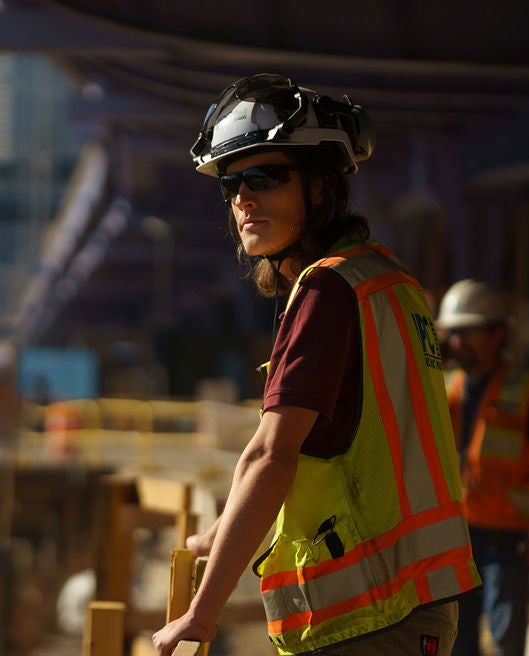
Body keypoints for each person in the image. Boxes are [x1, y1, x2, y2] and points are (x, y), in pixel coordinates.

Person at [153, 73, 480, 656]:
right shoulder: (391, 283)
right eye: (231, 184)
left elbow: (271, 456)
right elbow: (336, 458)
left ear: (322, 187)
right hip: (414, 603)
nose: (243, 198)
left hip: (370, 614)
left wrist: (201, 615)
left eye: (263, 176)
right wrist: (222, 537)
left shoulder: (327, 290)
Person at [434, 279, 529, 656]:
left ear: (496, 334)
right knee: (457, 639)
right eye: (452, 335)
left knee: (507, 635)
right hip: (458, 534)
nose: (457, 343)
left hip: (508, 536)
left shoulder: (528, 389)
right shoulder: (446, 388)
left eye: (466, 333)